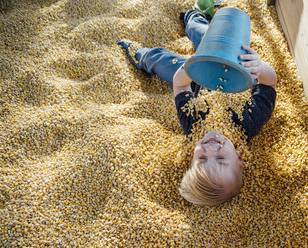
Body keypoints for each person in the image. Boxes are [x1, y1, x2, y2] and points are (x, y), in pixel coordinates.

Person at [118, 8, 277, 206]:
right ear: (240, 159)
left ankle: (140, 55)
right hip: (235, 71)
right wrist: (259, 67)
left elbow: (180, 85)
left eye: (202, 158)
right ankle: (194, 17)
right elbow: (269, 84)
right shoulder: (249, 122)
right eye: (220, 159)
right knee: (204, 32)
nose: (210, 148)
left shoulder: (192, 125)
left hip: (195, 76)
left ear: (192, 157)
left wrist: (193, 67)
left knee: (160, 59)